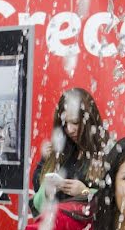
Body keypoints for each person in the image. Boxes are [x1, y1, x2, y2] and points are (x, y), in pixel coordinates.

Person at [29, 87, 108, 216]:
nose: (70, 130)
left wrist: (85, 192)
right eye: (65, 124)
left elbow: (116, 203)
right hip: (56, 229)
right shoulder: (57, 150)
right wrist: (47, 190)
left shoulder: (108, 152)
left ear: (90, 120)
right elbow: (37, 203)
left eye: (76, 122)